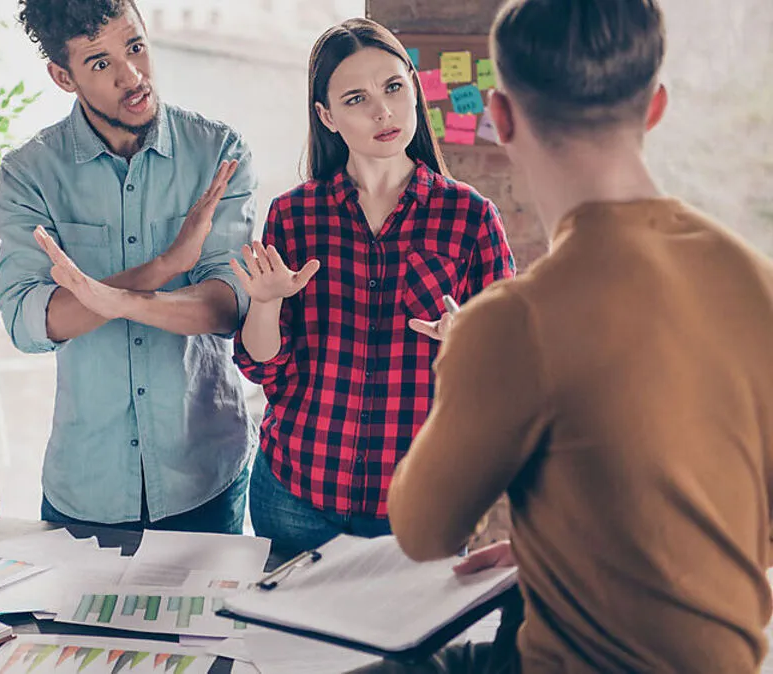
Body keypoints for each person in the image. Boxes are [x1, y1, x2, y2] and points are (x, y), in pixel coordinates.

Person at [388, 0, 773, 671]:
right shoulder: (759, 281)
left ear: (501, 118)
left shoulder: (512, 320)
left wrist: (460, 364)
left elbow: (424, 532)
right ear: (655, 107)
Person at [232, 18, 514, 557]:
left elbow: (511, 375)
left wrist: (470, 347)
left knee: (413, 644)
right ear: (327, 116)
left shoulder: (471, 217)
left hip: (420, 503)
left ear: (413, 86)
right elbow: (264, 367)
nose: (383, 111)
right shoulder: (294, 216)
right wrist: (265, 303)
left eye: (393, 87)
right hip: (296, 494)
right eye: (356, 98)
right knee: (289, 643)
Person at [0, 0, 257, 533]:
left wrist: (103, 299)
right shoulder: (30, 173)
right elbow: (29, 321)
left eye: (135, 46)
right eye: (100, 63)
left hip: (204, 477)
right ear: (62, 77)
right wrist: (162, 267)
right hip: (85, 486)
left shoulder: (219, 152)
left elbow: (228, 305)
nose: (132, 75)